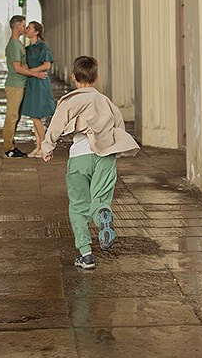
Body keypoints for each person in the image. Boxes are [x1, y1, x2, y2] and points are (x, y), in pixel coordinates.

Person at [42, 54, 139, 270]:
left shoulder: (71, 101)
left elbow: (56, 125)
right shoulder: (106, 102)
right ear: (96, 79)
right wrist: (117, 152)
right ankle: (102, 213)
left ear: (73, 78)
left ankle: (86, 254)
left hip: (79, 158)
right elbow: (119, 129)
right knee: (101, 198)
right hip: (105, 156)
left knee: (78, 206)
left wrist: (47, 148)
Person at [1, 14, 47, 158]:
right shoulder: (14, 45)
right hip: (15, 85)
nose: (24, 28)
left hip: (19, 84)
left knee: (16, 116)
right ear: (17, 26)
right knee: (12, 116)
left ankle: (11, 146)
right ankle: (8, 148)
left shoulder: (18, 44)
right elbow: (17, 68)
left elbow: (22, 65)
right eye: (23, 25)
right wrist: (36, 74)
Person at [22, 20, 56, 156]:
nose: (26, 29)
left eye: (29, 28)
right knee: (33, 115)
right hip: (31, 82)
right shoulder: (27, 49)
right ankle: (37, 147)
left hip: (40, 83)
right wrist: (31, 73)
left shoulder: (43, 47)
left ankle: (43, 146)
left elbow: (47, 65)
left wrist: (33, 72)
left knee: (36, 116)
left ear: (36, 32)